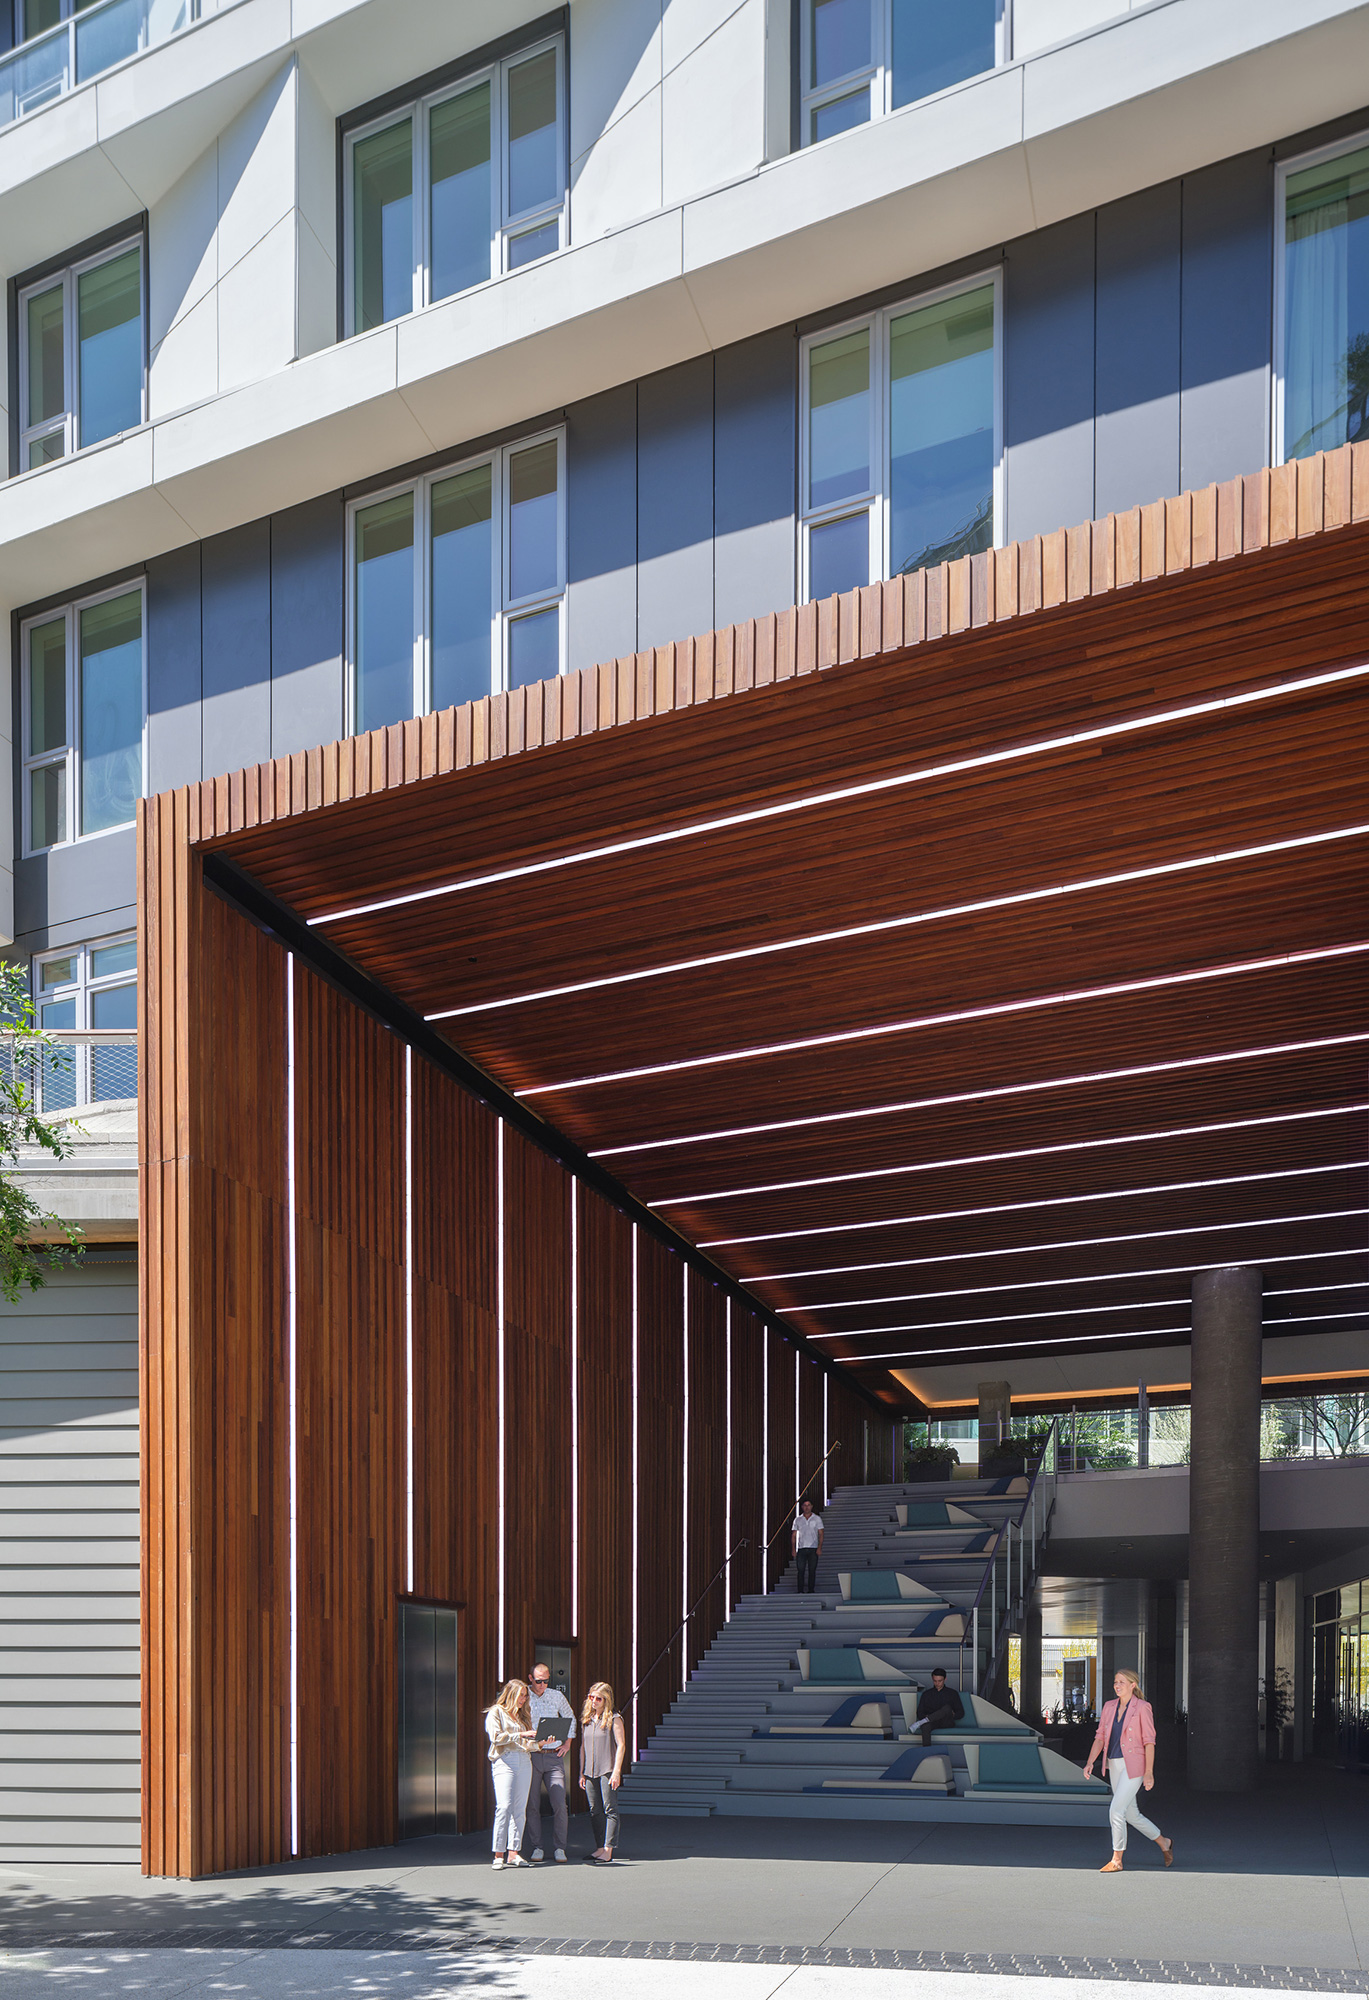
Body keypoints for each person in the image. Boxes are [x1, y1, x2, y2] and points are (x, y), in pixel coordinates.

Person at [1084, 1668, 1175, 1872]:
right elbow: (1100, 1737)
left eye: (1122, 1682)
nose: (1117, 1685)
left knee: (1116, 1810)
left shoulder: (1142, 1707)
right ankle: (1164, 1842)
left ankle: (1117, 1859)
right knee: (1131, 1814)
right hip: (1114, 1764)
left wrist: (1149, 1772)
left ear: (1133, 1685)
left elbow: (1149, 1742)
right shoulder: (1108, 1707)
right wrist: (1091, 1762)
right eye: (1116, 1682)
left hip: (1135, 1766)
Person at [524, 1661, 578, 1861]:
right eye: (539, 1681)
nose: (542, 1685)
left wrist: (567, 1744)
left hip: (554, 1756)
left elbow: (570, 1717)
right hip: (531, 1755)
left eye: (546, 1681)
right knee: (532, 1805)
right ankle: (537, 1846)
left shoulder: (556, 1696)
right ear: (530, 1678)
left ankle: (560, 1847)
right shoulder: (524, 1696)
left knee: (559, 1803)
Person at [486, 1679, 536, 1869]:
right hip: (504, 1760)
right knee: (504, 1806)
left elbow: (527, 1745)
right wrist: (521, 1735)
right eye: (521, 1695)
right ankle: (498, 1854)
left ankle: (513, 1852)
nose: (523, 1699)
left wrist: (541, 1743)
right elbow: (496, 1738)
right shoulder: (496, 1712)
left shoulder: (523, 1716)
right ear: (511, 1694)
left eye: (525, 1695)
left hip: (524, 1759)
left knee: (519, 1808)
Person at [579, 1680, 627, 1863]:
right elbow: (582, 1747)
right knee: (594, 1810)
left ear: (606, 1700)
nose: (594, 1701)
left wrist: (616, 1771)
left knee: (610, 1808)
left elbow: (621, 1745)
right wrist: (581, 1772)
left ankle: (608, 1849)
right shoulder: (587, 1718)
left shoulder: (614, 1718)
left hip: (607, 1768)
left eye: (598, 1698)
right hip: (590, 1770)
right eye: (591, 1697)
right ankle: (599, 1847)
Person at [915, 1667, 965, 1746]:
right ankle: (927, 1752)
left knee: (947, 1708)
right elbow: (919, 1712)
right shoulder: (926, 1694)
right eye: (935, 1681)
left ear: (945, 1679)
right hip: (933, 1722)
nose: (937, 1683)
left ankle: (926, 1720)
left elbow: (961, 1712)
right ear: (932, 1679)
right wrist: (926, 1716)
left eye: (940, 1681)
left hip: (947, 1721)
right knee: (925, 1726)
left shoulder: (952, 1693)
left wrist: (953, 1714)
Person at [791, 1497, 824, 1593]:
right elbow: (794, 1534)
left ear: (812, 1506)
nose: (807, 1507)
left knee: (812, 1570)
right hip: (801, 1548)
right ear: (802, 1507)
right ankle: (800, 1590)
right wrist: (793, 1548)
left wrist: (819, 1547)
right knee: (800, 1570)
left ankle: (811, 1589)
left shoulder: (817, 1518)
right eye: (805, 1505)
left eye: (808, 1505)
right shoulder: (798, 1519)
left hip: (813, 1548)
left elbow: (821, 1533)